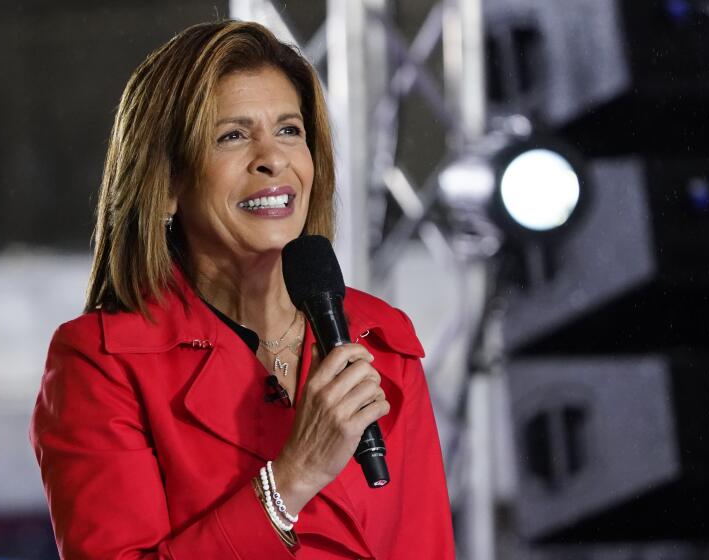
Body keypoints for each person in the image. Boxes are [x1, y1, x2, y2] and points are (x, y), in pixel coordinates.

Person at [30, 20, 454, 559]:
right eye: (232, 135)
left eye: (289, 130)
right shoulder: (101, 362)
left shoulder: (380, 339)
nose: (272, 157)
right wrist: (290, 481)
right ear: (167, 187)